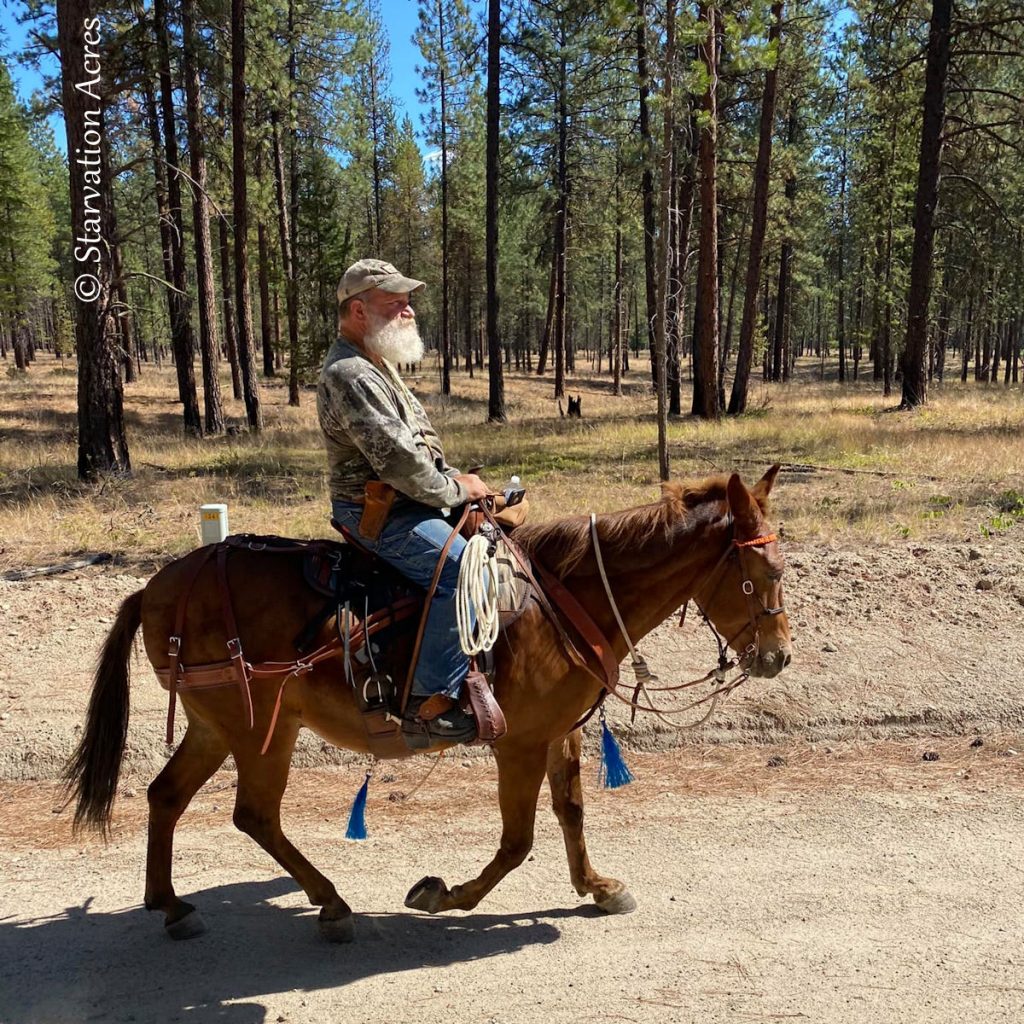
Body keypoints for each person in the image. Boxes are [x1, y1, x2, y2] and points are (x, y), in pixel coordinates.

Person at [317, 259, 488, 748]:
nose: (409, 310)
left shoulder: (376, 363)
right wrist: (456, 492)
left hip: (409, 499)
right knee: (459, 573)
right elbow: (397, 462)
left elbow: (417, 447)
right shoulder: (350, 373)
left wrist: (455, 478)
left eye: (407, 301)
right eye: (395, 303)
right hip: (379, 513)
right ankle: (428, 702)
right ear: (357, 309)